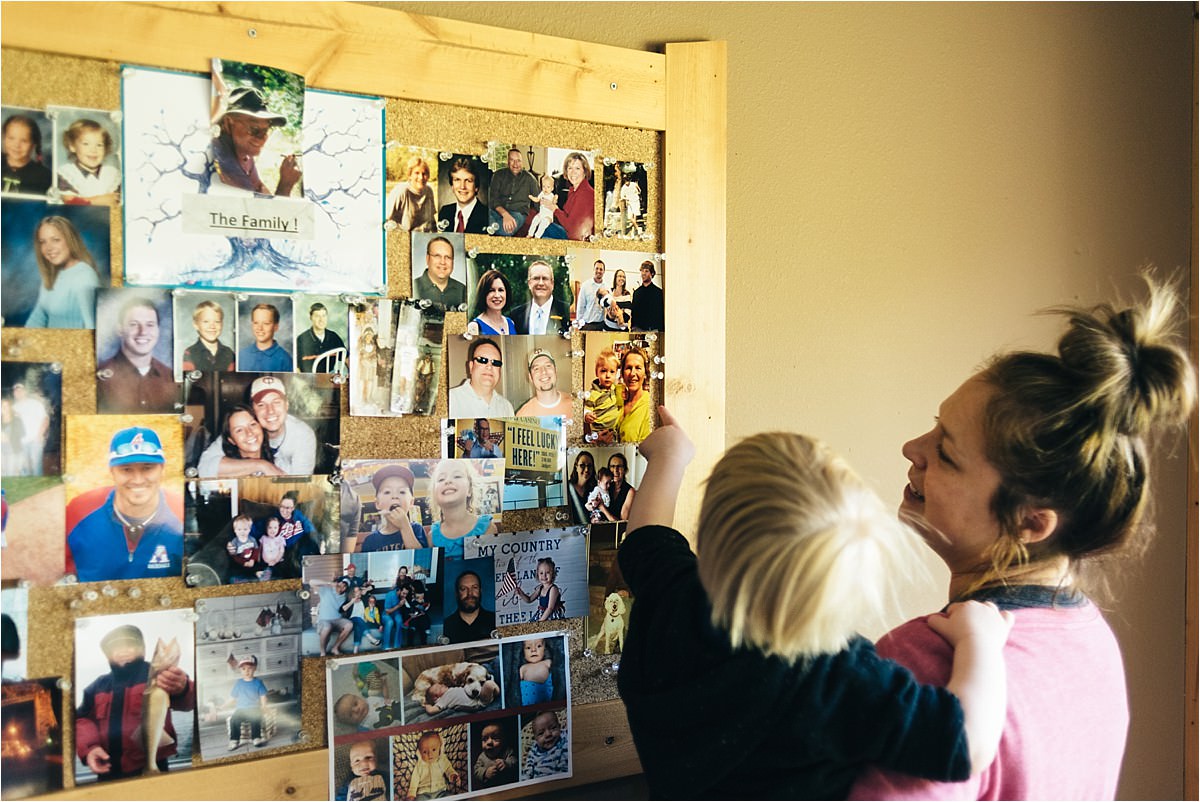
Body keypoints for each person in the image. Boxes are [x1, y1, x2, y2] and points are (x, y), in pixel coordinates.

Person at [850, 276, 1197, 800]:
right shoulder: (1090, 642)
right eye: (932, 428)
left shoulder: (925, 664)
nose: (911, 448)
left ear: (1030, 523)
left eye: (945, 452)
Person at [618, 407, 1015, 798]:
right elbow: (965, 745)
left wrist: (671, 456)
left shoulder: (672, 595)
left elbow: (645, 536)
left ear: (710, 529)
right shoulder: (837, 678)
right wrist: (979, 640)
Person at [75, 625, 194, 780]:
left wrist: (182, 688)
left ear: (142, 650)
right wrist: (90, 748)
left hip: (153, 762)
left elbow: (190, 701)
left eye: (130, 646)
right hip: (108, 769)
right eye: (115, 648)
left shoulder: (164, 676)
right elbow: (81, 719)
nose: (123, 651)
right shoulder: (97, 686)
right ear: (108, 655)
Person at [67, 426, 184, 582]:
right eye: (126, 469)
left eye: (147, 468)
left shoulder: (181, 512)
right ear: (112, 471)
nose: (137, 480)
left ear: (162, 469)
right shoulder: (79, 510)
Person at [197, 376, 317, 477]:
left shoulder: (302, 434)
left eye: (276, 402)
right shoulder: (246, 426)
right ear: (252, 410)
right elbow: (204, 467)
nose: (270, 411)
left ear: (286, 405)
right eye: (261, 405)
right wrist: (261, 465)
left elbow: (300, 484)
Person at [211, 85, 300, 197]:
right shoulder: (222, 161)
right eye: (254, 129)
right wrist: (285, 185)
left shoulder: (242, 154)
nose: (262, 137)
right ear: (228, 123)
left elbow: (259, 188)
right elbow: (263, 213)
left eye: (266, 130)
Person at [97, 296, 179, 414]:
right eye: (134, 324)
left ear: (158, 330)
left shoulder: (171, 377)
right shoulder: (99, 378)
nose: (143, 332)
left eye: (150, 325)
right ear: (120, 329)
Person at [24, 215, 101, 329]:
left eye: (55, 240)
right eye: (43, 242)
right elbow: (39, 316)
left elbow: (93, 329)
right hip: (50, 344)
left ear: (70, 240)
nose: (48, 247)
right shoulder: (51, 275)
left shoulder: (84, 277)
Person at [428, 460, 498, 560]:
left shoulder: (487, 528)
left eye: (457, 476)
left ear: (469, 490)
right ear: (435, 494)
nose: (448, 481)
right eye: (441, 479)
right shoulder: (432, 537)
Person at [358, 464, 428, 552]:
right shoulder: (370, 541)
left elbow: (421, 559)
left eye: (402, 492)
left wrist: (405, 527)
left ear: (411, 502)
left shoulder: (416, 529)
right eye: (387, 492)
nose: (395, 496)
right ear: (377, 503)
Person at [203, 403, 282, 478]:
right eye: (239, 430)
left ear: (261, 427)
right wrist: (261, 465)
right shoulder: (226, 472)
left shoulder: (279, 463)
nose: (249, 433)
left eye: (252, 424)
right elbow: (206, 469)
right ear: (231, 440)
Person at [56, 118, 120, 205]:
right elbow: (69, 201)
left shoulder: (112, 174)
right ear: (72, 146)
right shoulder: (66, 174)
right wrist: (97, 201)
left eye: (99, 145)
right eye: (86, 144)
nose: (93, 150)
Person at [447, 338, 514, 418]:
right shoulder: (450, 401)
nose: (489, 366)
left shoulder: (507, 407)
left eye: (495, 362)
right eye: (482, 360)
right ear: (471, 367)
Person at [509, 260, 571, 336]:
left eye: (545, 278)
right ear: (529, 283)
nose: (541, 283)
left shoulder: (567, 311)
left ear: (552, 284)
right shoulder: (515, 315)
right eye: (536, 278)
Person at [543, 151, 594, 241]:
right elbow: (567, 217)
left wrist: (555, 209)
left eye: (577, 168)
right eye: (570, 168)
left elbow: (572, 228)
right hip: (568, 233)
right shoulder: (574, 190)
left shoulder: (586, 194)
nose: (573, 172)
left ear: (585, 171)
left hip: (575, 239)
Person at [489, 147, 539, 236]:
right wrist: (505, 214)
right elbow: (493, 199)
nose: (516, 164)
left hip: (517, 213)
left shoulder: (530, 179)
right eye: (512, 160)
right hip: (496, 210)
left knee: (503, 231)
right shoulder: (498, 175)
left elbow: (538, 201)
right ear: (507, 161)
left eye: (518, 160)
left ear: (522, 162)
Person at [225, 655, 268, 749]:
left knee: (255, 719)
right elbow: (233, 697)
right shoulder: (239, 683)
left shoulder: (258, 682)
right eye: (244, 669)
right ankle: (234, 740)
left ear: (255, 668)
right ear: (240, 670)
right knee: (234, 720)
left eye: (250, 668)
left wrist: (264, 706)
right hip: (241, 709)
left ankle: (256, 737)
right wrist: (224, 705)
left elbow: (263, 695)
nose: (247, 671)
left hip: (254, 708)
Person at [2, 113, 51, 195]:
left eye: (24, 141)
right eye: (11, 138)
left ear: (33, 144)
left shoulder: (44, 176)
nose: (16, 145)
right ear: (4, 138)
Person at [442, 569, 496, 643]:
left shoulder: (495, 621)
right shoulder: (446, 627)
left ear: (480, 591)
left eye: (474, 587)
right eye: (463, 589)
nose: (470, 593)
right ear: (456, 594)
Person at [181, 299, 235, 373]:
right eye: (206, 321)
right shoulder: (190, 353)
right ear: (196, 324)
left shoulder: (229, 353)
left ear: (222, 324)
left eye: (217, 322)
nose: (212, 326)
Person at [514, 348, 573, 417]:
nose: (543, 371)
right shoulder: (523, 415)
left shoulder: (574, 404)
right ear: (530, 377)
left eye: (548, 366)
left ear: (555, 371)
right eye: (536, 369)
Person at [437, 156, 488, 234]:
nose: (462, 186)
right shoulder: (445, 212)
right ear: (452, 186)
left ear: (476, 187)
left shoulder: (487, 216)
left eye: (468, 181)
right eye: (457, 180)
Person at [413, 236, 467, 309]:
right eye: (437, 256)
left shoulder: (463, 290)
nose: (442, 262)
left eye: (448, 257)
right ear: (427, 259)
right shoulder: (412, 287)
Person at [238, 303, 293, 372]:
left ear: (276, 327)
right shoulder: (242, 355)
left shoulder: (285, 359)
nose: (260, 328)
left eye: (266, 323)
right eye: (256, 323)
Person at [387, 155, 436, 232]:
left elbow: (432, 221)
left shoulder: (429, 191)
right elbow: (386, 221)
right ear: (410, 175)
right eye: (417, 173)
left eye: (424, 173)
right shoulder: (401, 191)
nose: (421, 177)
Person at [584, 348, 622, 446]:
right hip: (599, 432)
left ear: (616, 374)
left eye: (612, 372)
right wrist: (587, 415)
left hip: (614, 432)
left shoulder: (615, 389)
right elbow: (587, 408)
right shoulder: (593, 393)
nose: (608, 375)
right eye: (603, 371)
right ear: (597, 373)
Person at [407, 729, 461, 799]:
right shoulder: (420, 765)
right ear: (419, 752)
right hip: (424, 793)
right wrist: (411, 794)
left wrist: (453, 775)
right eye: (425, 752)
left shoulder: (442, 760)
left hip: (441, 792)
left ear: (440, 748)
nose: (430, 754)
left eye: (434, 750)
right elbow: (414, 780)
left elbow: (449, 769)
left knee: (451, 797)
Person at [10, 382, 49, 476]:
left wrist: (40, 434)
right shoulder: (12, 408)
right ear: (14, 394)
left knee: (36, 467)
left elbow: (46, 419)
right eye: (16, 391)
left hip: (35, 440)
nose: (18, 392)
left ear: (25, 391)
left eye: (20, 390)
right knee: (24, 469)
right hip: (21, 443)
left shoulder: (35, 403)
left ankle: (39, 489)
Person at [296, 302, 346, 373]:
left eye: (324, 316)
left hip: (329, 380)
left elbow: (347, 359)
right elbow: (296, 367)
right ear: (311, 318)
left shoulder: (334, 337)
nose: (321, 320)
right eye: (317, 316)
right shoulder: (301, 339)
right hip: (308, 380)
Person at [617, 346, 651, 443]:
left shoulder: (649, 406)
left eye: (638, 368)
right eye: (628, 368)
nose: (632, 373)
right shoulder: (617, 400)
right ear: (622, 373)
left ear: (645, 373)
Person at [465, 269, 515, 336]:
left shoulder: (511, 323)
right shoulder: (474, 327)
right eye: (491, 290)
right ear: (483, 294)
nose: (497, 295)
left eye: (500, 290)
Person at [312, 576, 352, 657]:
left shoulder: (343, 597)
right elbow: (311, 582)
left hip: (337, 620)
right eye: (342, 583)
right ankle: (323, 652)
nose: (343, 586)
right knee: (327, 626)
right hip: (324, 620)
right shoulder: (326, 590)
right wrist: (329, 583)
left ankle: (335, 648)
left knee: (349, 625)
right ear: (338, 583)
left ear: (345, 589)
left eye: (345, 586)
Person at [522, 711, 568, 779]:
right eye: (541, 733)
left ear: (559, 727)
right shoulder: (534, 749)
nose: (548, 734)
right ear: (536, 738)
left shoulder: (564, 737)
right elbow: (527, 770)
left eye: (553, 728)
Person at [473, 722, 517, 788]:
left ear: (503, 741)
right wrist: (485, 773)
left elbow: (515, 761)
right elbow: (476, 770)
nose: (489, 742)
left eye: (495, 738)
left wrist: (507, 763)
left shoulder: (507, 751)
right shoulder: (482, 756)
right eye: (485, 739)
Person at [516, 636, 555, 704]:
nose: (533, 650)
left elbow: (559, 671)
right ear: (523, 652)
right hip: (528, 706)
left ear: (544, 649)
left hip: (548, 703)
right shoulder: (523, 668)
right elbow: (514, 684)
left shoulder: (548, 662)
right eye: (528, 647)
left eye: (539, 646)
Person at [225, 513, 262, 584]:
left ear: (249, 530)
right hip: (240, 563)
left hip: (251, 561)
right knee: (235, 571)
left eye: (245, 529)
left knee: (257, 566)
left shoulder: (252, 539)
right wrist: (244, 563)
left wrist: (252, 560)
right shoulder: (234, 542)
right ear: (235, 530)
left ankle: (258, 574)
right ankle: (240, 579)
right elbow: (234, 556)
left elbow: (256, 550)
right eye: (239, 529)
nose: (242, 532)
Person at [573, 259, 609, 330]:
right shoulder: (585, 285)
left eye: (601, 269)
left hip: (601, 324)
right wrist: (579, 324)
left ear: (604, 271)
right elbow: (580, 306)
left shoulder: (607, 287)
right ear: (593, 270)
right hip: (587, 325)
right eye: (597, 268)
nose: (599, 271)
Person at [599, 452, 636, 522]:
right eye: (612, 466)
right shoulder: (604, 486)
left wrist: (602, 508)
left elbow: (622, 522)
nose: (615, 470)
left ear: (625, 470)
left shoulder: (630, 492)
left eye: (619, 466)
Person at [630, 260, 664, 332]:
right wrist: (633, 328)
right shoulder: (636, 293)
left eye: (646, 271)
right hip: (638, 330)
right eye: (642, 271)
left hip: (653, 330)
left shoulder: (658, 292)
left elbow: (660, 314)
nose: (643, 273)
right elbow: (633, 313)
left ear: (652, 273)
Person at [565, 451, 597, 526]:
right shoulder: (566, 488)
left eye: (589, 466)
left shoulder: (595, 490)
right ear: (576, 467)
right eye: (582, 465)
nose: (586, 469)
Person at [525, 173, 557, 239]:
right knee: (535, 220)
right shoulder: (542, 193)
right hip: (541, 214)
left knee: (543, 224)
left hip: (548, 216)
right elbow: (537, 199)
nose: (545, 189)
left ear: (552, 188)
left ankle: (537, 236)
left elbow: (554, 203)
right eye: (543, 186)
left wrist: (555, 198)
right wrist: (531, 197)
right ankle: (530, 234)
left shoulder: (551, 195)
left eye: (548, 187)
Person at [355, 326, 379, 409]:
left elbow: (374, 355)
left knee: (370, 382)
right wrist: (365, 357)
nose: (369, 337)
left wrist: (372, 358)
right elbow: (360, 354)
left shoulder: (373, 346)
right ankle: (363, 397)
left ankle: (369, 397)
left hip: (371, 366)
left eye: (370, 335)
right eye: (367, 335)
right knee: (364, 382)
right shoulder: (362, 345)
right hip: (364, 366)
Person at [258, 515, 286, 581]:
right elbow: (260, 550)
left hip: (277, 562)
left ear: (279, 528)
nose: (272, 530)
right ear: (266, 528)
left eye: (275, 528)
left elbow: (282, 551)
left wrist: (275, 560)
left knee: (280, 573)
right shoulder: (263, 538)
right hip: (265, 562)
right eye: (270, 527)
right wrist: (260, 560)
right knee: (264, 573)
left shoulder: (280, 539)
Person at [620, 170, 642, 237]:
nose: (627, 182)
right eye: (625, 181)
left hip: (635, 201)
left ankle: (634, 231)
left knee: (634, 217)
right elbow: (622, 196)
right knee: (630, 218)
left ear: (629, 180)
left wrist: (637, 191)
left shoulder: (634, 184)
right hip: (629, 203)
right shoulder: (623, 188)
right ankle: (638, 228)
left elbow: (639, 191)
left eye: (627, 180)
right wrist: (626, 199)